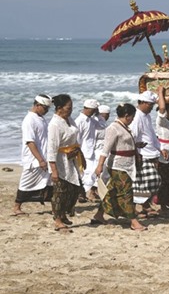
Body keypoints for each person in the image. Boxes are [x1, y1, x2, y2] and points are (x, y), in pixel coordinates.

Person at [92, 103, 147, 231]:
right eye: (132, 117)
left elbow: (123, 143)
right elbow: (106, 149)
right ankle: (133, 221)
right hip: (118, 165)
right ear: (127, 116)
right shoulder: (113, 128)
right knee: (126, 193)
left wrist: (136, 145)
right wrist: (100, 165)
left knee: (112, 191)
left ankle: (99, 215)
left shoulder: (125, 127)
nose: (133, 119)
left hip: (128, 164)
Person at [47, 94, 84, 232]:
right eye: (68, 108)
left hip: (72, 158)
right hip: (60, 160)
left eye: (71, 108)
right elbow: (51, 148)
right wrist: (54, 169)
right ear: (59, 108)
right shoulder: (55, 124)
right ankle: (57, 219)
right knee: (60, 191)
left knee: (73, 189)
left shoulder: (69, 120)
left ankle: (63, 214)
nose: (70, 110)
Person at [13, 94, 53, 216]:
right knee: (26, 183)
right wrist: (40, 159)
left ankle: (54, 206)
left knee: (49, 182)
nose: (47, 111)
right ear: (37, 105)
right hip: (33, 159)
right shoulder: (29, 120)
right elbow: (30, 142)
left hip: (44, 157)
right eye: (45, 108)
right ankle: (16, 207)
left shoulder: (40, 118)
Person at [129, 91, 162, 217]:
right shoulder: (137, 117)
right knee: (148, 181)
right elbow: (134, 136)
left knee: (146, 182)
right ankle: (139, 206)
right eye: (149, 105)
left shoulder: (146, 116)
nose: (151, 108)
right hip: (143, 154)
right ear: (142, 103)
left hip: (151, 152)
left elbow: (151, 135)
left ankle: (145, 205)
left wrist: (159, 148)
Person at [75, 98, 106, 202]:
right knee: (85, 175)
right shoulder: (79, 121)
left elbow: (102, 126)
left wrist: (98, 115)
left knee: (91, 175)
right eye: (93, 110)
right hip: (83, 153)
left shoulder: (91, 120)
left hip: (91, 152)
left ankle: (84, 194)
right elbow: (77, 139)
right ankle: (83, 194)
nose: (94, 112)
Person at [94, 105, 111, 183]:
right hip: (98, 150)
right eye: (107, 114)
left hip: (103, 150)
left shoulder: (102, 122)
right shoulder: (96, 123)